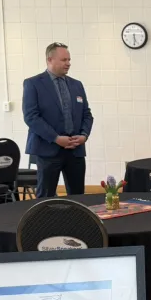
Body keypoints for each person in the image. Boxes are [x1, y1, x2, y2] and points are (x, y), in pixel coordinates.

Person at [23, 42, 94, 198]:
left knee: (78, 197)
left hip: (75, 150)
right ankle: (43, 223)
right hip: (48, 150)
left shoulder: (76, 85)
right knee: (46, 197)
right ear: (50, 60)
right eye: (64, 60)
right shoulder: (33, 84)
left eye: (69, 60)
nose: (68, 63)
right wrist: (55, 138)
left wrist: (84, 135)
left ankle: (76, 223)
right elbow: (31, 117)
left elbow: (87, 114)